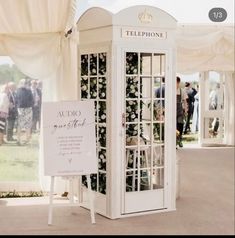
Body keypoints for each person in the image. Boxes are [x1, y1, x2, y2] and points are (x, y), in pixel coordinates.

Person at [16, 79, 34, 145]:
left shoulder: (27, 91)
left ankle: (24, 140)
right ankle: (22, 140)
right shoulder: (21, 90)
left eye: (25, 83)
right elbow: (32, 100)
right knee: (23, 125)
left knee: (24, 125)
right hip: (23, 109)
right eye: (24, 83)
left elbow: (32, 100)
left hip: (24, 109)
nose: (24, 84)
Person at [176, 77, 188, 147]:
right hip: (172, 111)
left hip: (180, 111)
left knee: (180, 126)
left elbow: (185, 102)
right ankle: (174, 141)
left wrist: (186, 110)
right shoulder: (170, 90)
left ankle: (180, 140)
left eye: (177, 83)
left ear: (178, 83)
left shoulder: (182, 91)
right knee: (174, 127)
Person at [154, 76, 165, 141]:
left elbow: (155, 98)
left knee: (161, 123)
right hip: (166, 107)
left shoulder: (157, 89)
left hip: (159, 107)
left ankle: (162, 137)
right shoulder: (169, 88)